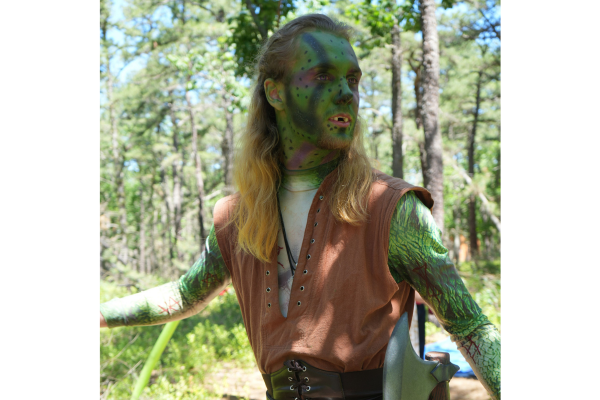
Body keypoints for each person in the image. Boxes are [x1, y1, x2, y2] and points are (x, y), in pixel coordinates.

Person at [100, 14, 500, 400]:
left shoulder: (391, 208)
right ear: (276, 93)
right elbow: (186, 294)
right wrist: (99, 314)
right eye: (323, 76)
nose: (346, 92)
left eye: (352, 79)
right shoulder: (235, 218)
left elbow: (470, 328)